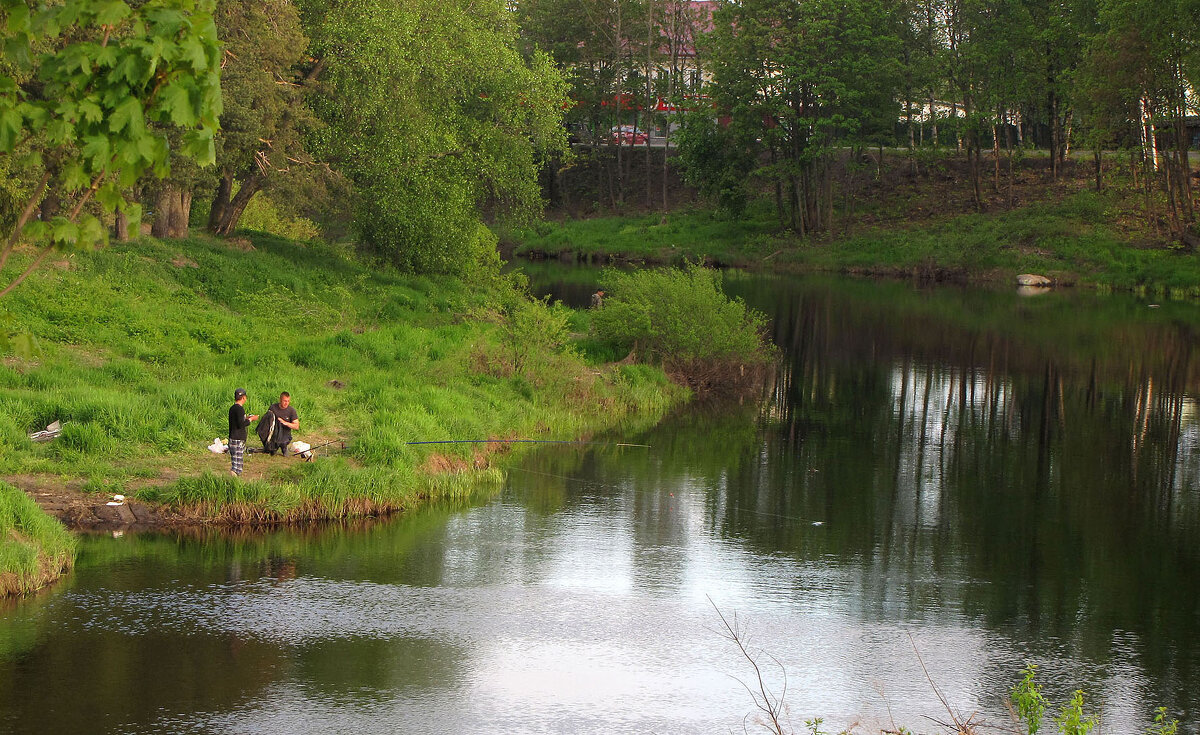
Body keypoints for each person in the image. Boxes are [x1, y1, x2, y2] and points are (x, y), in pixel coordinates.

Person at [228, 388, 258, 478]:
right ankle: (233, 484)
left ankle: (233, 483)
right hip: (237, 440)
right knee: (237, 467)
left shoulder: (232, 408)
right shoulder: (240, 409)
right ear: (244, 397)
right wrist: (250, 419)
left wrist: (246, 418)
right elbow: (241, 424)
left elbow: (237, 421)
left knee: (236, 463)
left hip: (232, 438)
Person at [263, 391, 299, 456]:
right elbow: (267, 421)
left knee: (283, 443)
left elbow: (296, 426)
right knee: (271, 452)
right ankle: (271, 447)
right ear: (280, 400)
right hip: (274, 433)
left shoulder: (291, 411)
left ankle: (284, 447)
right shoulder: (273, 408)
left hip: (285, 435)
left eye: (288, 401)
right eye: (285, 401)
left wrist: (285, 423)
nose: (286, 403)